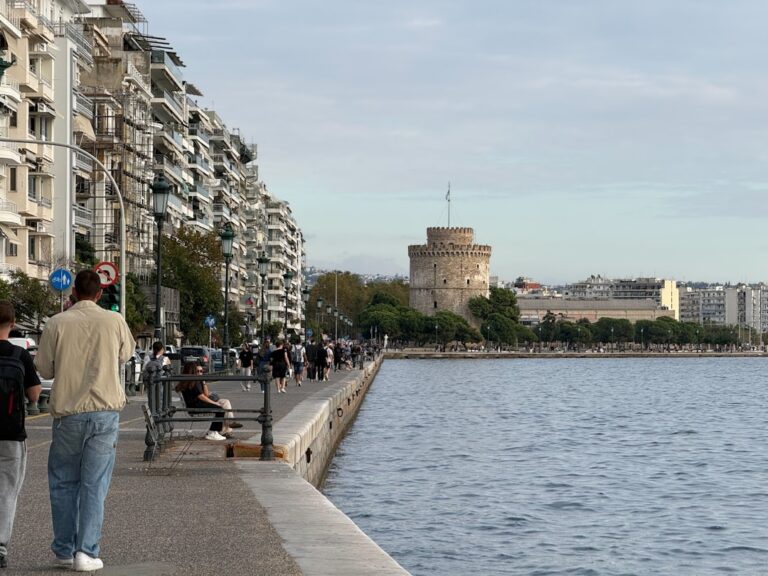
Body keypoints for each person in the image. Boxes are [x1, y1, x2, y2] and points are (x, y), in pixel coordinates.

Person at [35, 270, 136, 572]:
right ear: (100, 293)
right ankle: (87, 551)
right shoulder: (114, 321)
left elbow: (44, 369)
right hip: (105, 412)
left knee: (64, 482)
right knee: (95, 485)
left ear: (73, 294)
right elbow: (126, 355)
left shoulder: (56, 323)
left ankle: (64, 549)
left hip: (68, 413)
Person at [0, 301, 41, 569]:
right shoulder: (19, 355)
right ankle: (0, 546)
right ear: (12, 324)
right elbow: (35, 393)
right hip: (11, 433)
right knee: (6, 491)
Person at [175, 362, 240, 440]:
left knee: (223, 404)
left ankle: (221, 430)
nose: (198, 372)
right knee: (220, 409)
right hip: (196, 405)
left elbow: (204, 395)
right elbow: (201, 396)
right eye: (196, 370)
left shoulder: (187, 381)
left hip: (193, 404)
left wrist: (203, 381)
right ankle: (213, 432)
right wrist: (215, 403)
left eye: (200, 371)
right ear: (192, 370)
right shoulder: (193, 381)